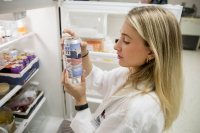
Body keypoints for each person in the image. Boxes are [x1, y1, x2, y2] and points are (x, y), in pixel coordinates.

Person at [61, 6, 183, 133]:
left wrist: (80, 101)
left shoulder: (134, 112)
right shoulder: (133, 72)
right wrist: (83, 53)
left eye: (126, 41)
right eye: (120, 38)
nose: (116, 46)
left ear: (151, 51)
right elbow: (102, 80)